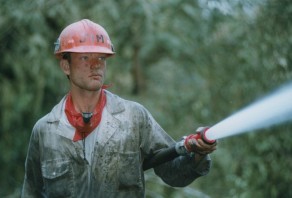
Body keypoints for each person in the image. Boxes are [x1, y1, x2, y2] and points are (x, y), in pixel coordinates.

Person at [21, 19, 217, 198]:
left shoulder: (133, 118)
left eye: (101, 58)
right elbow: (31, 192)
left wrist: (198, 154)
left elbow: (174, 174)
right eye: (85, 58)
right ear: (65, 66)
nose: (96, 65)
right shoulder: (45, 130)